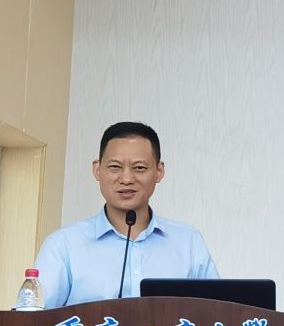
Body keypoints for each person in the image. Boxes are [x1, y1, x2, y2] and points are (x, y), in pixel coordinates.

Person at [34, 121, 218, 308]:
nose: (127, 179)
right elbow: (32, 320)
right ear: (97, 170)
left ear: (159, 171)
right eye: (115, 167)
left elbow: (219, 315)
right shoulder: (64, 245)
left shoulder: (189, 243)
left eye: (139, 168)